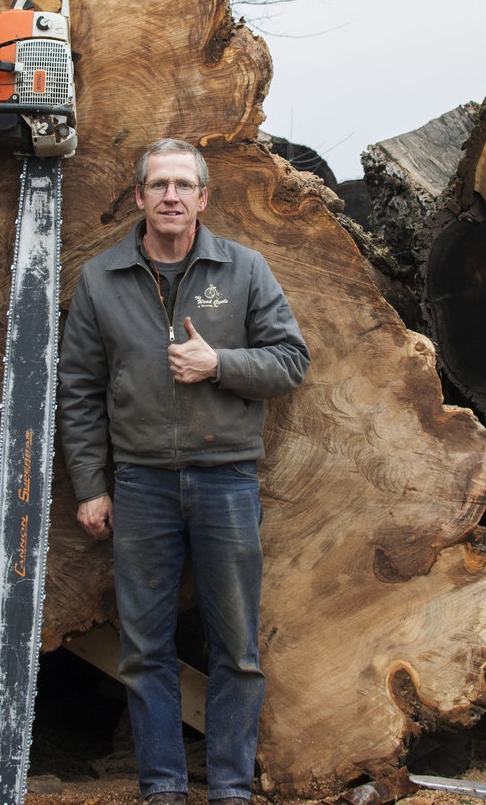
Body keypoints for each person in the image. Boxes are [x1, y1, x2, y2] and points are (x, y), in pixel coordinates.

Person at [58, 139, 311, 805]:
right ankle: (163, 788)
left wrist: (219, 365)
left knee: (237, 650)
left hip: (227, 481)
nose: (171, 196)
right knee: (145, 650)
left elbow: (291, 361)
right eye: (158, 184)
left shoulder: (244, 270)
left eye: (183, 185)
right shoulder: (101, 280)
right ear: (138, 197)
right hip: (140, 485)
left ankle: (230, 788)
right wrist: (91, 486)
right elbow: (78, 388)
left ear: (204, 197)